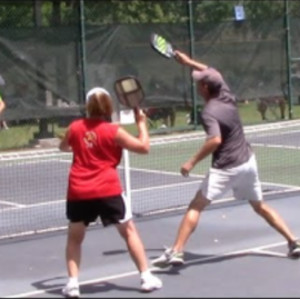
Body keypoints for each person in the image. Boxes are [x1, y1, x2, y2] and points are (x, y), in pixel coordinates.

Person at [151, 50, 300, 268]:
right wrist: (187, 62)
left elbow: (214, 140)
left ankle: (177, 251)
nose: (196, 84)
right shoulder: (226, 93)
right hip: (248, 162)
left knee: (196, 206)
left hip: (226, 167)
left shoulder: (209, 112)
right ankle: (293, 242)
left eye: (198, 83)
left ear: (204, 88)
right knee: (260, 206)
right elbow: (210, 71)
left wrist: (191, 162)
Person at [59, 87, 162, 298]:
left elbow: (63, 147)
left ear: (88, 106)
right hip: (108, 190)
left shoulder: (75, 128)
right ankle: (146, 277)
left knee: (74, 239)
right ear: (108, 106)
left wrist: (82, 143)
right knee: (130, 232)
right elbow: (144, 147)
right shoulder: (114, 131)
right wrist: (141, 124)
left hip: (79, 191)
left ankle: (72, 284)